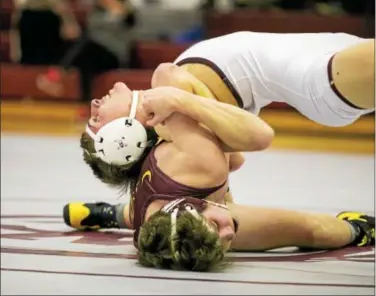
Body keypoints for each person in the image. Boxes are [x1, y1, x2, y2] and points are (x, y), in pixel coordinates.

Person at [64, 83, 374, 271]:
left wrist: (182, 99)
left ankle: (110, 213)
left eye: (218, 228)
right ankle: (358, 231)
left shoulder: (191, 163)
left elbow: (256, 139)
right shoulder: (164, 223)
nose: (230, 235)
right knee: (314, 231)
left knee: (311, 228)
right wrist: (351, 231)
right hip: (167, 202)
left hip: (174, 189)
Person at [152, 31, 374, 127]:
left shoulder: (168, 88)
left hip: (331, 60)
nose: (116, 88)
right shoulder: (171, 94)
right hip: (320, 77)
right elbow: (257, 138)